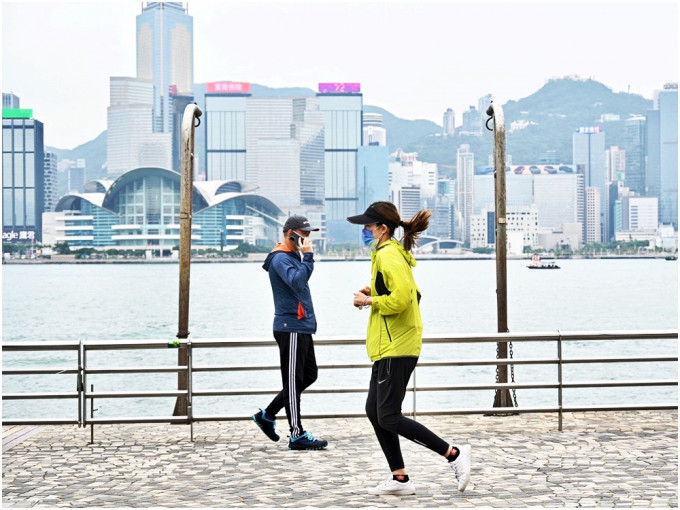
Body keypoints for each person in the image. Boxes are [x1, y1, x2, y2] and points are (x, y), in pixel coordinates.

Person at [347, 201, 471, 495]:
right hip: (388, 346)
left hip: (397, 346)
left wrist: (369, 301)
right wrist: (374, 292)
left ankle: (453, 454)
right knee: (374, 410)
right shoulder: (386, 255)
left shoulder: (389, 256)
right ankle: (399, 478)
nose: (364, 231)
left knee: (388, 415)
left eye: (368, 226)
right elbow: (413, 292)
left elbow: (403, 300)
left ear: (382, 229)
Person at [252, 215, 328, 451]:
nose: (307, 238)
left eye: (308, 234)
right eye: (303, 234)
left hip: (302, 325)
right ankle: (296, 434)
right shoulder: (281, 259)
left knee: (309, 375)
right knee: (293, 382)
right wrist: (310, 258)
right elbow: (296, 283)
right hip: (290, 327)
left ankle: (268, 414)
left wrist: (304, 258)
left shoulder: (292, 256)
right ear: (290, 233)